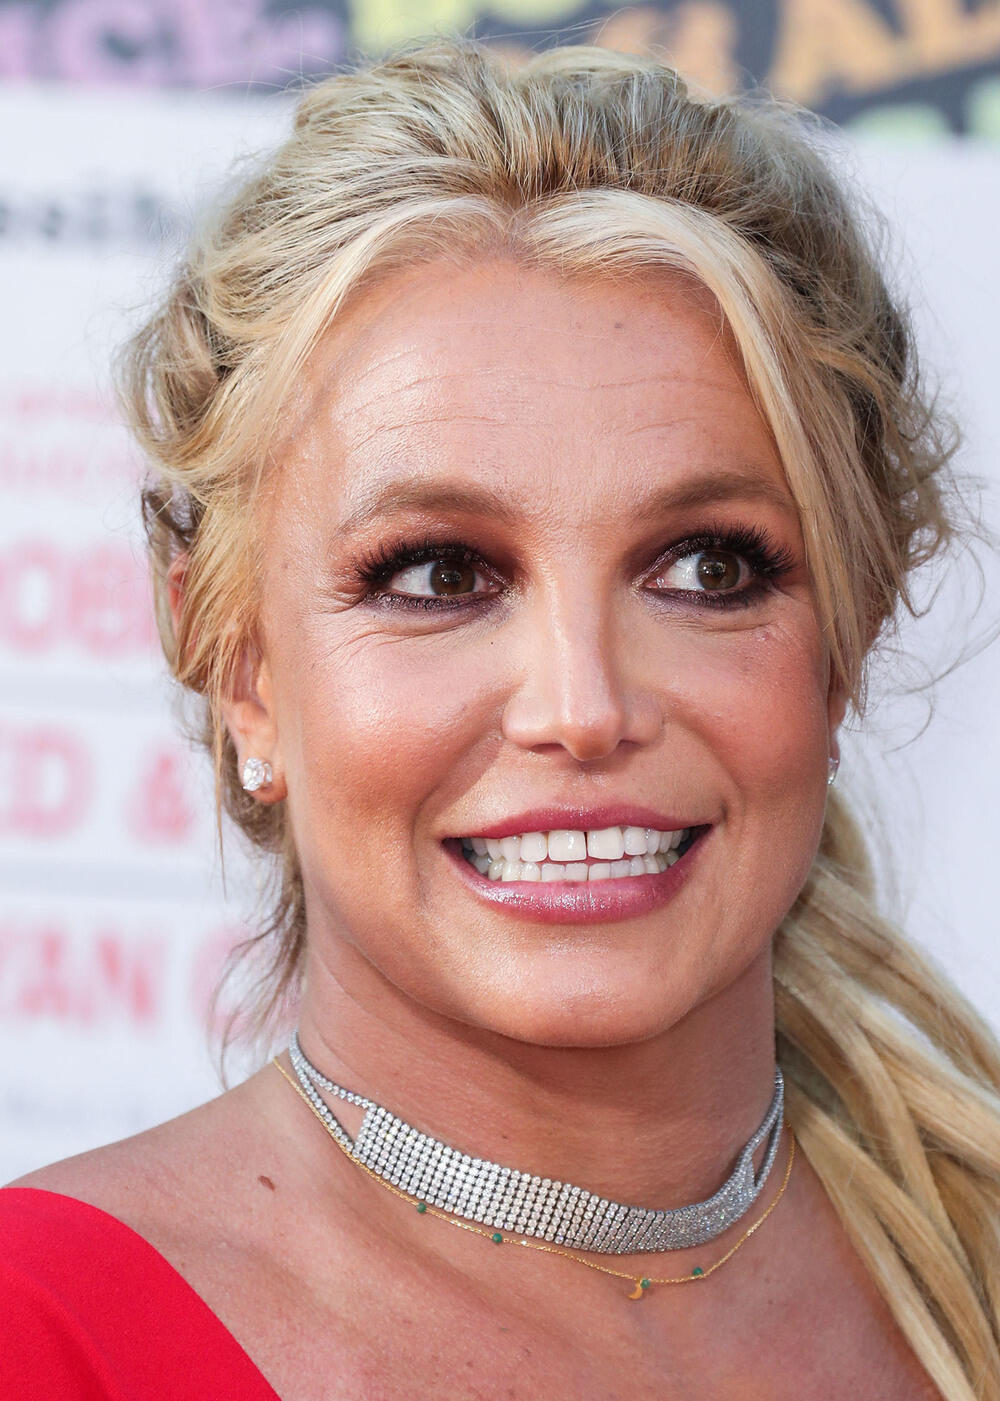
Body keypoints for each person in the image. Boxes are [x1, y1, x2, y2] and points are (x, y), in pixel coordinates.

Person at [3, 36, 999, 1401]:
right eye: (437, 575)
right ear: (240, 667)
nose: (584, 709)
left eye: (709, 569)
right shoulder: (48, 1338)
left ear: (847, 643)